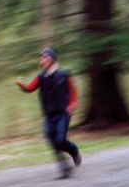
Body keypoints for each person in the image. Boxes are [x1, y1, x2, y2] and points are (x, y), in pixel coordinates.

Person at [15, 47, 81, 179]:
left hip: (63, 113)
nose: (42, 60)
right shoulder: (41, 77)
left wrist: (72, 105)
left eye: (44, 57)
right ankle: (64, 168)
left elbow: (73, 92)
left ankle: (73, 150)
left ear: (51, 59)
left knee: (60, 140)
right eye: (41, 57)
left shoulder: (64, 75)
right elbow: (30, 88)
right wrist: (21, 85)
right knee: (52, 140)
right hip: (49, 116)